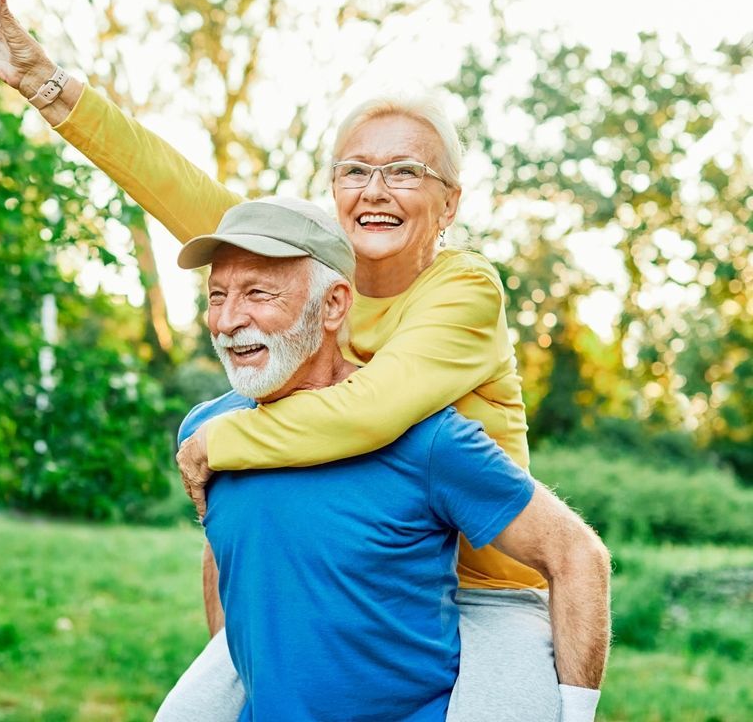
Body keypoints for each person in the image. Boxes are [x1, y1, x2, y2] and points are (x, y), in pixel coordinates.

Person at [0, 0, 608, 721]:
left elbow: (370, 412)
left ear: (450, 203)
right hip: (356, 581)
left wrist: (219, 438)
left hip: (488, 586)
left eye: (405, 171)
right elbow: (171, 185)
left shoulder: (463, 288)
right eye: (355, 170)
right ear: (332, 189)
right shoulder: (304, 265)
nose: (376, 189)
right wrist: (52, 92)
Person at [161, 195, 609, 721]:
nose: (228, 320)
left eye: (258, 293)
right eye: (217, 296)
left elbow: (577, 555)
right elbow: (226, 551)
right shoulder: (206, 433)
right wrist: (239, 668)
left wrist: (574, 715)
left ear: (332, 305)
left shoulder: (430, 441)